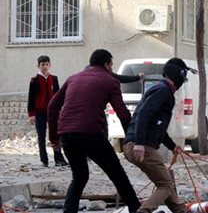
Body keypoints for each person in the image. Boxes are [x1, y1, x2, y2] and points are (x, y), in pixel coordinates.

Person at [48, 49, 141, 213]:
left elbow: (52, 106)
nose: (112, 69)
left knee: (79, 177)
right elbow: (123, 113)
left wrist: (54, 138)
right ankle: (138, 210)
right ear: (106, 64)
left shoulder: (73, 78)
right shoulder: (110, 81)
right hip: (91, 133)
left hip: (67, 134)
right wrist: (131, 139)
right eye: (111, 65)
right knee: (118, 175)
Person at [122, 58, 190, 213]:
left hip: (136, 145)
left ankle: (181, 211)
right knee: (166, 184)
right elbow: (143, 115)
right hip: (141, 146)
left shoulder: (161, 90)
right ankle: (144, 211)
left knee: (164, 182)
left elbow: (157, 126)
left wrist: (173, 147)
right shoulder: (163, 90)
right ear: (179, 75)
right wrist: (139, 143)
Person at [27, 55, 68, 167]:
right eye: (42, 65)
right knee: (41, 136)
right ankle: (44, 160)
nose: (44, 67)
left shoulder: (53, 79)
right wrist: (31, 114)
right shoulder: (34, 80)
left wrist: (60, 109)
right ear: (38, 66)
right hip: (39, 112)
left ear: (50, 65)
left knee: (55, 135)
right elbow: (31, 98)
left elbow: (58, 95)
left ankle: (59, 159)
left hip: (53, 112)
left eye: (46, 64)